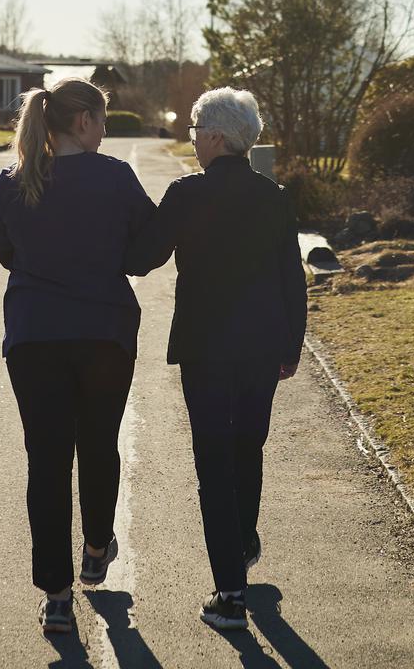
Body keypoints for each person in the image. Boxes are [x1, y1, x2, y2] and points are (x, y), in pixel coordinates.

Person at [124, 87, 307, 630]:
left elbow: (142, 257)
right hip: (262, 345)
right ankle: (242, 543)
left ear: (215, 137)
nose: (193, 141)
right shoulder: (274, 197)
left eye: (195, 131)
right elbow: (291, 279)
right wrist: (291, 345)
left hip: (207, 346)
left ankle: (229, 593)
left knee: (212, 459)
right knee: (248, 447)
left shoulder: (187, 194)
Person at [0, 78, 154, 633]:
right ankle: (98, 547)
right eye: (102, 121)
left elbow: (0, 244)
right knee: (99, 443)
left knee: (47, 461)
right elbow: (147, 252)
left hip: (35, 337)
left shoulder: (16, 179)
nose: (104, 132)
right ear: (83, 122)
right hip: (104, 333)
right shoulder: (115, 177)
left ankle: (56, 595)